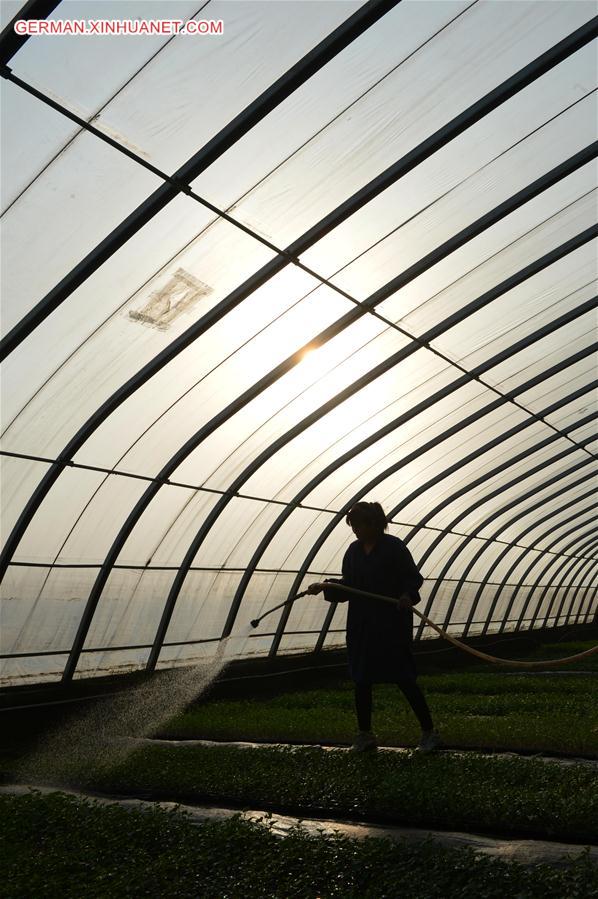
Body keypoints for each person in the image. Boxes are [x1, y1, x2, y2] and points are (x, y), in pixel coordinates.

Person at [307, 501, 440, 753]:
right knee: (362, 679)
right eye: (353, 525)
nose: (354, 530)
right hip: (361, 624)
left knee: (404, 677)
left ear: (374, 524)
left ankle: (429, 733)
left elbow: (413, 579)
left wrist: (406, 596)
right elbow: (349, 586)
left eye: (358, 524)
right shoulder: (353, 551)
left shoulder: (394, 547)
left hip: (391, 624)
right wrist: (327, 586)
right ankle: (365, 735)